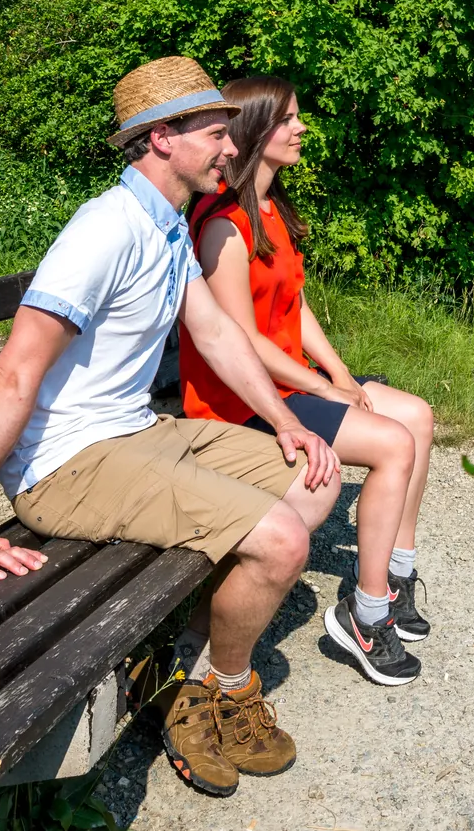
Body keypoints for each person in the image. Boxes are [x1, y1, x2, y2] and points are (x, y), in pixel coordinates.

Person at [0, 57, 343, 799]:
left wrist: (287, 421)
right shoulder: (105, 231)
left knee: (315, 473)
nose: (231, 146)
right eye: (217, 133)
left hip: (134, 433)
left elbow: (215, 332)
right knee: (284, 538)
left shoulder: (166, 227)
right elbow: (14, 372)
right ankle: (211, 695)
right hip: (70, 463)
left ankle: (190, 669)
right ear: (161, 138)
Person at [179, 75, 436, 688]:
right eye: (288, 119)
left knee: (417, 416)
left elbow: (296, 307)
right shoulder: (223, 225)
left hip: (294, 381)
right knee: (392, 444)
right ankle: (364, 615)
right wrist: (325, 390)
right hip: (241, 404)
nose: (300, 128)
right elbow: (241, 344)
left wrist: (343, 376)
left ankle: (395, 577)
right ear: (254, 131)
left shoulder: (272, 210)